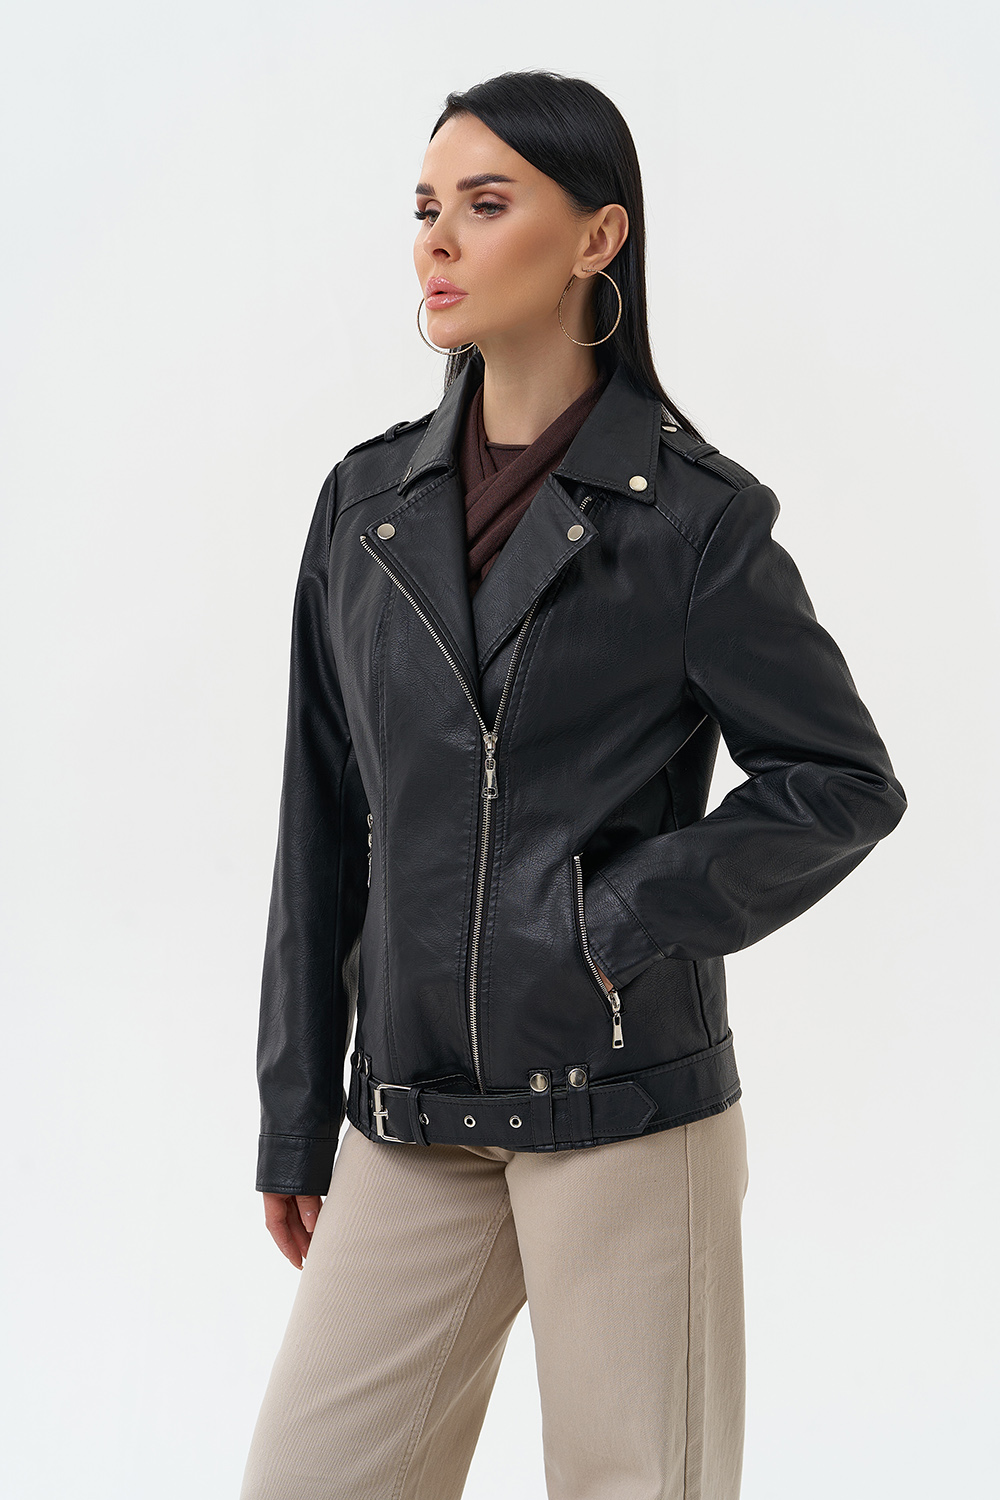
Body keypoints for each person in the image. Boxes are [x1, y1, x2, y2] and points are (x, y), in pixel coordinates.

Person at [240, 70, 907, 1500]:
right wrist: (298, 1107)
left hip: (621, 1109)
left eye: (487, 205)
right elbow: (320, 821)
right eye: (427, 206)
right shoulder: (365, 508)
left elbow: (841, 780)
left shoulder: (696, 523)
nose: (437, 240)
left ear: (598, 238)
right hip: (412, 1108)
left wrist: (610, 923)